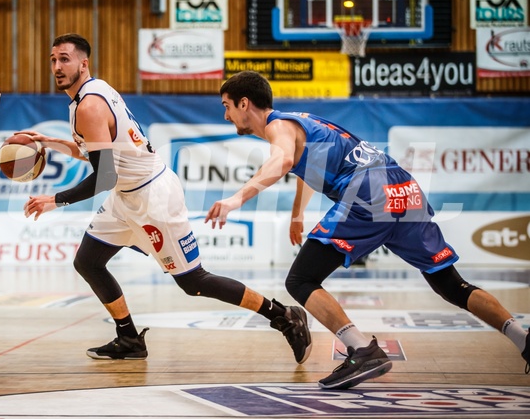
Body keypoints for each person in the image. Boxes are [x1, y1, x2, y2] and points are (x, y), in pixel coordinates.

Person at [206, 70, 530, 390]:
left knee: (300, 280)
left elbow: (283, 161)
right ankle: (523, 339)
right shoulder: (300, 122)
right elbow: (308, 167)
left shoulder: (279, 126)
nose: (226, 114)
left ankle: (361, 349)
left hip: (368, 194)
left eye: (226, 105)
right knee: (449, 283)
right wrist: (296, 215)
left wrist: (236, 199)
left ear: (244, 103)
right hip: (402, 188)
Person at [21, 33, 311, 362]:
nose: (57, 66)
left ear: (83, 63)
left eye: (65, 59)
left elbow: (104, 175)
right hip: (125, 195)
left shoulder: (89, 105)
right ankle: (128, 338)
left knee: (194, 282)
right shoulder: (94, 92)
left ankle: (282, 315)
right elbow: (98, 153)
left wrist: (55, 200)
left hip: (152, 198)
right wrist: (50, 141)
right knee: (87, 261)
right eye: (53, 60)